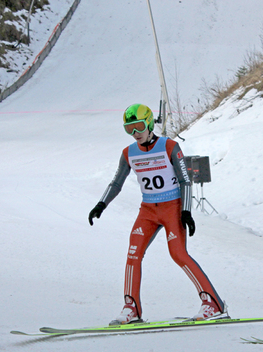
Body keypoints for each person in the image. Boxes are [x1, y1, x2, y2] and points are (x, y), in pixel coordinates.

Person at [88, 104, 227, 325]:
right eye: (129, 129)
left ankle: (214, 304)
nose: (135, 133)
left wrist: (186, 211)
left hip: (172, 207)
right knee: (133, 253)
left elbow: (185, 180)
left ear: (150, 123)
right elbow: (116, 183)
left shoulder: (170, 146)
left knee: (178, 254)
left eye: (139, 126)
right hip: (148, 210)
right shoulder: (128, 153)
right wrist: (101, 204)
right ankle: (130, 307)